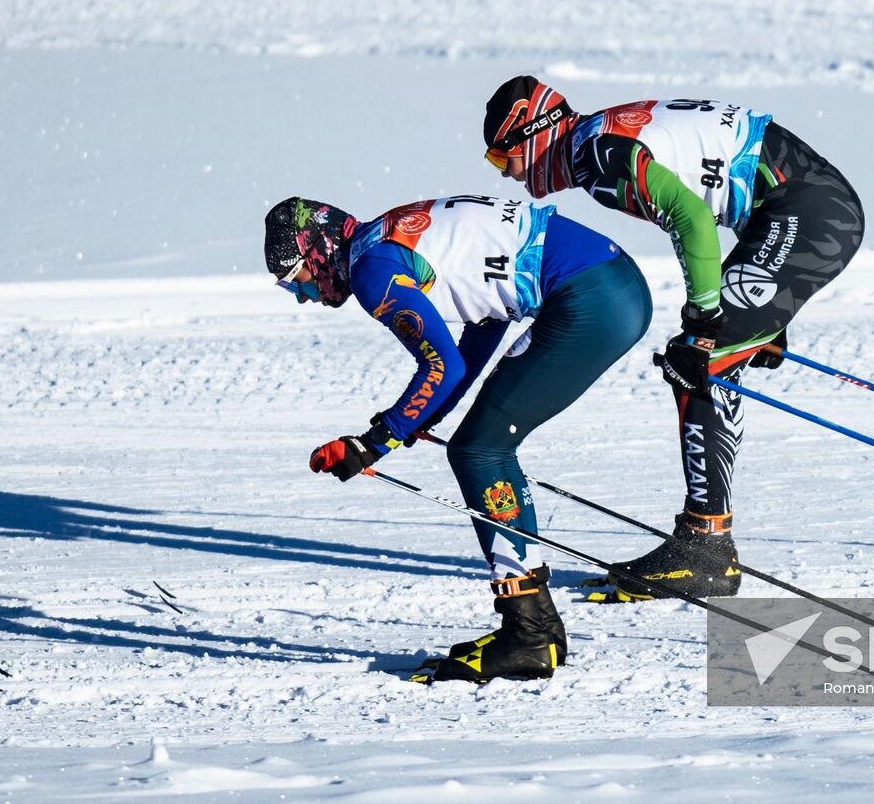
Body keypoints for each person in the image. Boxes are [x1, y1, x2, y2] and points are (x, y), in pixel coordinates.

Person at [482, 77, 864, 602]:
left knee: (697, 363)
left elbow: (691, 216)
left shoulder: (599, 157)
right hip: (800, 212)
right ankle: (705, 540)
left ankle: (705, 550)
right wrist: (759, 312)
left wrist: (708, 314)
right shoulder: (596, 139)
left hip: (807, 214)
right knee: (707, 357)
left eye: (504, 159)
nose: (510, 176)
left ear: (532, 135)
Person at [263, 193, 651, 682]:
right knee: (481, 445)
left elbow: (442, 366)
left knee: (480, 450)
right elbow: (485, 321)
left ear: (316, 251)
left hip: (588, 298)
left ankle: (528, 636)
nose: (302, 295)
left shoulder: (371, 271)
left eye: (294, 278)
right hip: (612, 285)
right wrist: (427, 415)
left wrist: (376, 441)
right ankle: (538, 628)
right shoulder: (382, 238)